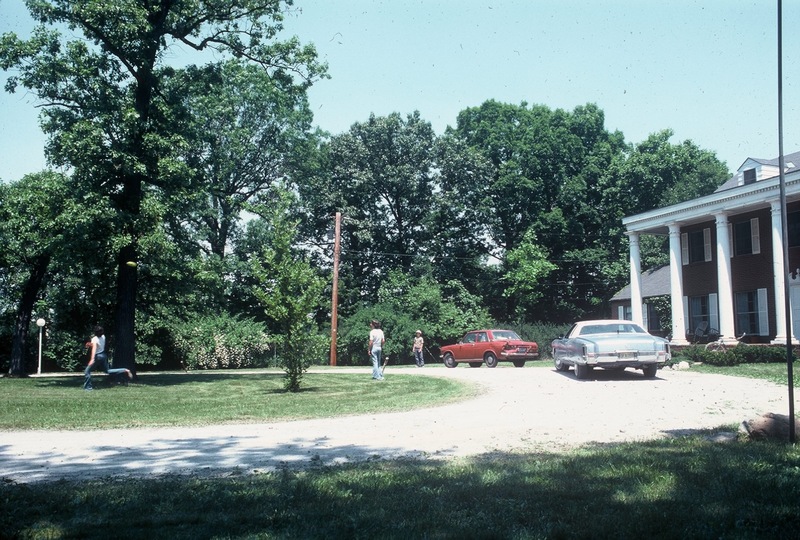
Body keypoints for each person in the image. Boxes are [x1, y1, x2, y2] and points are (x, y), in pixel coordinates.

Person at [83, 326, 132, 390]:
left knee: (87, 371)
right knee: (108, 371)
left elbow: (94, 349)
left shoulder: (94, 339)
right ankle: (125, 370)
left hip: (97, 356)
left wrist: (92, 359)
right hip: (103, 355)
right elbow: (97, 345)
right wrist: (90, 344)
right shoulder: (103, 337)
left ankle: (88, 388)